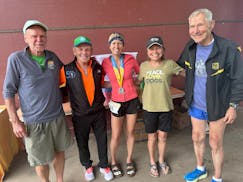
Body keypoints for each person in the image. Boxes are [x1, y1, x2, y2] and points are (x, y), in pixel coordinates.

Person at [177, 9, 243, 182]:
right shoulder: (190, 47)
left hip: (218, 105)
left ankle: (217, 178)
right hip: (195, 103)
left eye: (200, 25)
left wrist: (233, 106)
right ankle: (200, 168)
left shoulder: (228, 48)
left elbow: (238, 78)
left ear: (211, 25)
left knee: (215, 142)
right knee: (197, 137)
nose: (195, 30)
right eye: (192, 26)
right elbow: (180, 67)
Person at [2, 20, 73, 182]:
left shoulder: (52, 57)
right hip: (33, 122)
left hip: (57, 117)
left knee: (60, 151)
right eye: (34, 36)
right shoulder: (16, 59)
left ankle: (60, 180)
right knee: (40, 160)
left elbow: (67, 77)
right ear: (25, 38)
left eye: (42, 36)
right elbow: (8, 91)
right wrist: (14, 121)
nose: (39, 39)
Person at [59, 36, 113, 181]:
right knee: (82, 142)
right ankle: (87, 167)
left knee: (102, 139)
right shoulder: (66, 70)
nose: (84, 52)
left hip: (98, 112)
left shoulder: (98, 68)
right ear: (74, 51)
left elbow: (103, 85)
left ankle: (104, 165)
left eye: (87, 49)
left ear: (91, 51)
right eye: (81, 49)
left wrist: (119, 85)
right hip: (79, 114)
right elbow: (59, 90)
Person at [138, 36, 184, 177]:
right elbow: (140, 82)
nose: (155, 51)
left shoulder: (169, 64)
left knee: (163, 136)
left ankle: (161, 160)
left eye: (158, 48)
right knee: (152, 137)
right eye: (152, 49)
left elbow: (186, 74)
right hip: (149, 108)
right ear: (147, 51)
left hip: (165, 107)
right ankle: (153, 162)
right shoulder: (143, 66)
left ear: (163, 50)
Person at [102, 32, 140, 177]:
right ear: (110, 46)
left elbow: (139, 75)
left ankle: (129, 160)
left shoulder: (130, 59)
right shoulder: (105, 62)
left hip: (131, 100)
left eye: (119, 43)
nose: (116, 46)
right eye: (113, 43)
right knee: (116, 134)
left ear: (123, 46)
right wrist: (111, 87)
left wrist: (132, 85)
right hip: (116, 101)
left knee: (130, 132)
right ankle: (113, 162)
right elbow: (102, 81)